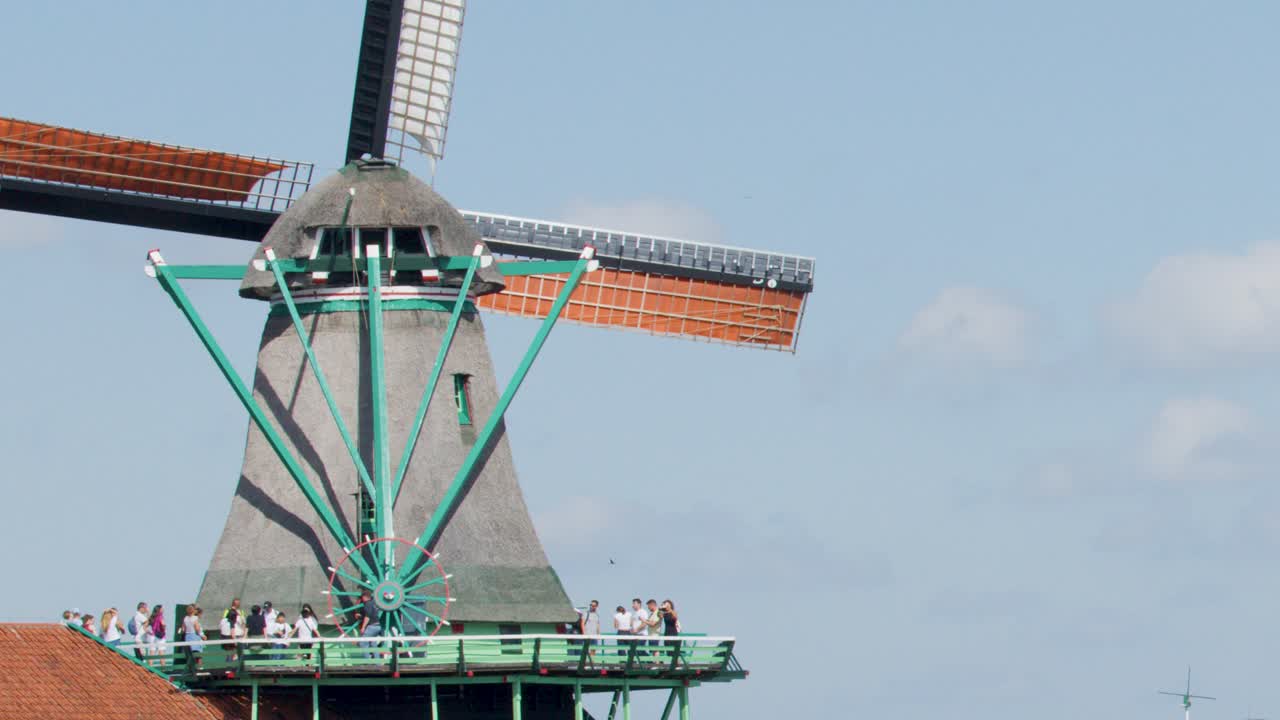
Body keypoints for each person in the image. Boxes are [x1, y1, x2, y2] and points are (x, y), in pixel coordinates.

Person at [358, 589, 381, 658]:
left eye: (362, 597)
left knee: (362, 643)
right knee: (373, 644)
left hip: (371, 626)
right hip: (378, 626)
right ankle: (378, 663)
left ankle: (368, 661)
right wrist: (361, 616)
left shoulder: (367, 604)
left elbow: (367, 616)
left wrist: (363, 627)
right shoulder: (374, 603)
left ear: (364, 597)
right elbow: (372, 614)